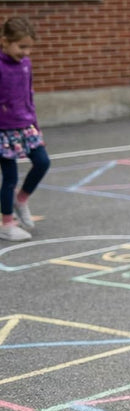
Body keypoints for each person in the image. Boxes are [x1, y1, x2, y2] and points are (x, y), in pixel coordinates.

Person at [0, 16, 50, 242]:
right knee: (9, 177)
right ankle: (7, 223)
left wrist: (36, 126)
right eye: (22, 46)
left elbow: (29, 95)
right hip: (3, 129)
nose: (26, 52)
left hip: (26, 124)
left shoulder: (25, 65)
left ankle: (21, 200)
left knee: (42, 162)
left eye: (29, 47)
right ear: (4, 41)